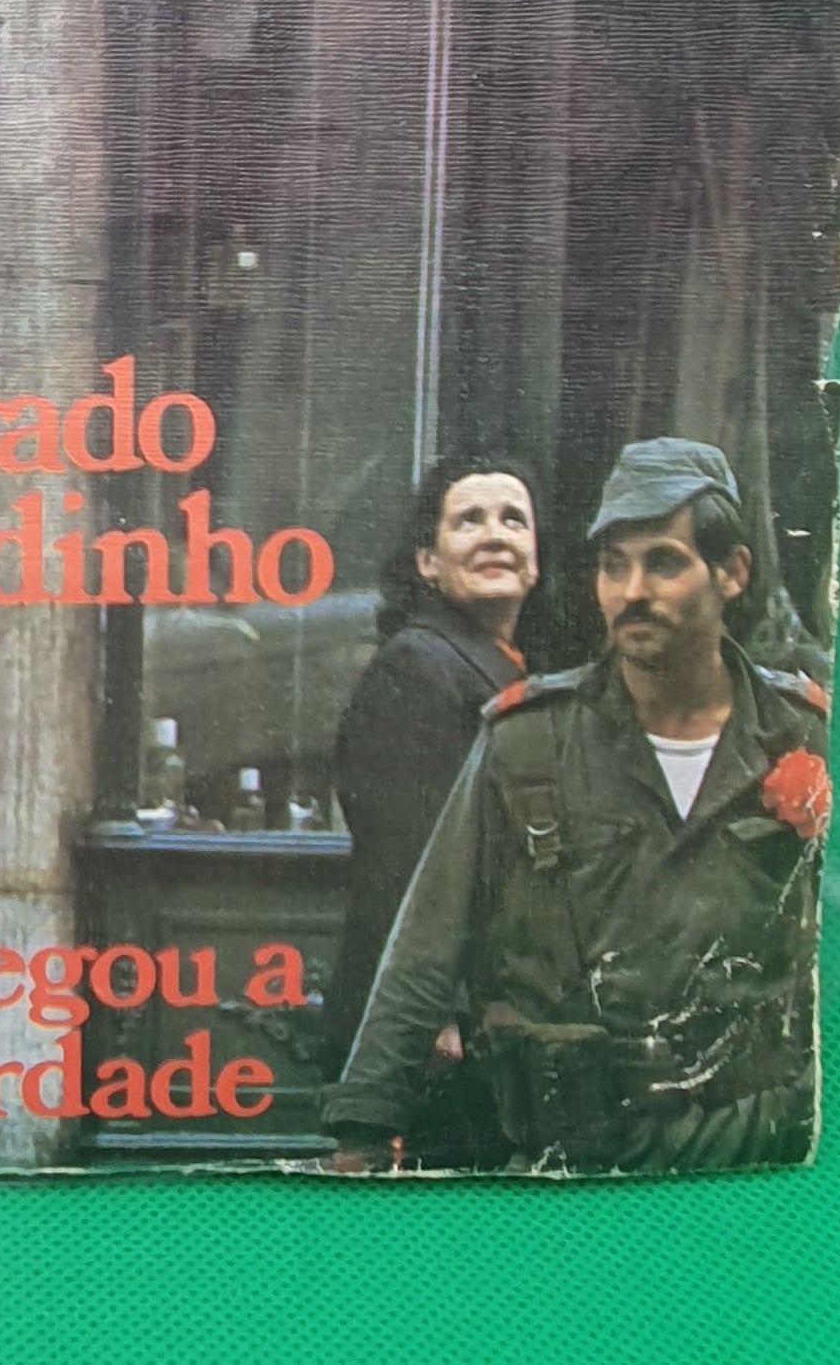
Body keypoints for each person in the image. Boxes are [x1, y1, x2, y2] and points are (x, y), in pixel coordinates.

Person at [325, 439, 830, 1174]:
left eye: (663, 562)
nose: (632, 591)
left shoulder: (804, 734)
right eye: (613, 565)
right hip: (573, 1161)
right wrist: (364, 1132)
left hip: (753, 1155)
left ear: (732, 572)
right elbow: (424, 948)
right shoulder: (528, 739)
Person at [323, 455, 538, 1161]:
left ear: (536, 560)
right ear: (428, 563)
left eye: (513, 520)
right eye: (468, 520)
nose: (495, 534)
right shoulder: (416, 667)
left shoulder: (499, 665)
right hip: (436, 1035)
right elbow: (401, 862)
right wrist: (435, 1018)